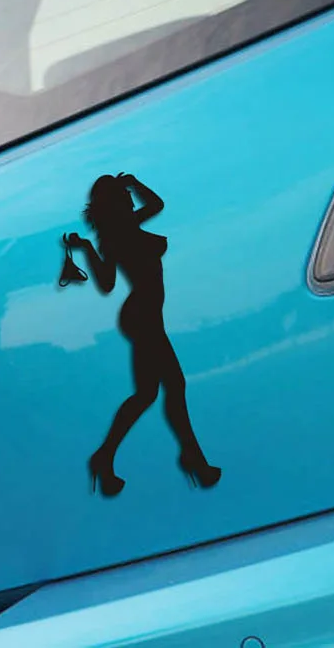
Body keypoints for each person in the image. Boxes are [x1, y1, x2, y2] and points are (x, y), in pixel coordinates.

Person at [66, 173, 221, 497]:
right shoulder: (119, 233)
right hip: (142, 318)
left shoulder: (122, 228)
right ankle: (192, 459)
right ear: (116, 201)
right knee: (171, 387)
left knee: (150, 393)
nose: (129, 198)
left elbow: (156, 205)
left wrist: (134, 184)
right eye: (124, 194)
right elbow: (107, 282)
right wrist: (87, 250)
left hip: (146, 316)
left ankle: (106, 457)